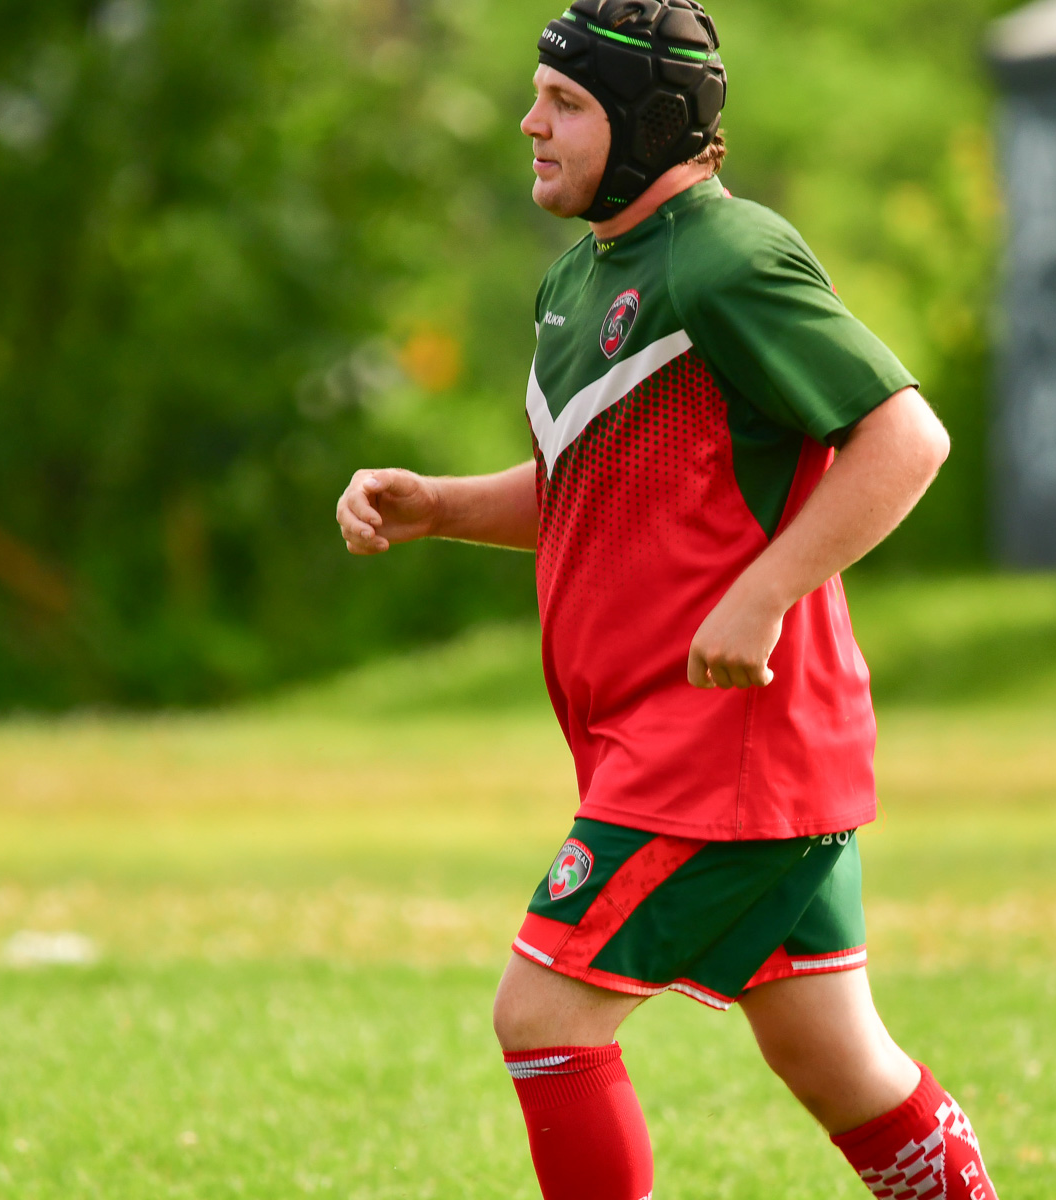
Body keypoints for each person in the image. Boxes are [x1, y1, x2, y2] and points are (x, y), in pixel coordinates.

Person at [334, 2, 998, 1196]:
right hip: (680, 743)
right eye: (538, 95)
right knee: (835, 1058)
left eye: (567, 104)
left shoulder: (726, 257)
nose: (529, 122)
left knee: (543, 1016)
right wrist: (438, 502)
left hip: (721, 750)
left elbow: (907, 436)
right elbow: (594, 497)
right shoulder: (579, 283)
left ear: (649, 123)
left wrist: (766, 594)